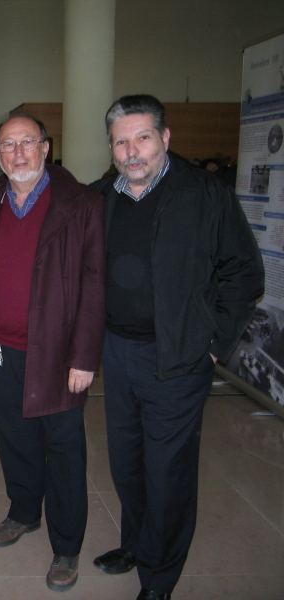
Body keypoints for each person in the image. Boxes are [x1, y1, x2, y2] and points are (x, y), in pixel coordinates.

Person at [90, 94, 264, 600]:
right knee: (127, 463)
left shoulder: (204, 193)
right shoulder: (102, 196)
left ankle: (159, 578)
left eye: (143, 138)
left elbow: (244, 272)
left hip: (179, 358)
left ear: (165, 138)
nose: (132, 151)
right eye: (121, 142)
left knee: (167, 473)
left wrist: (212, 345)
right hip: (118, 352)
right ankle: (135, 543)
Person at [0, 115, 106, 593]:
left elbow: (94, 284)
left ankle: (67, 545)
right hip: (1, 349)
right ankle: (23, 512)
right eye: (8, 145)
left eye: (27, 142)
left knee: (63, 450)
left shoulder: (81, 204)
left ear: (46, 147)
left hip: (58, 353)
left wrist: (85, 356)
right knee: (15, 440)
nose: (18, 153)